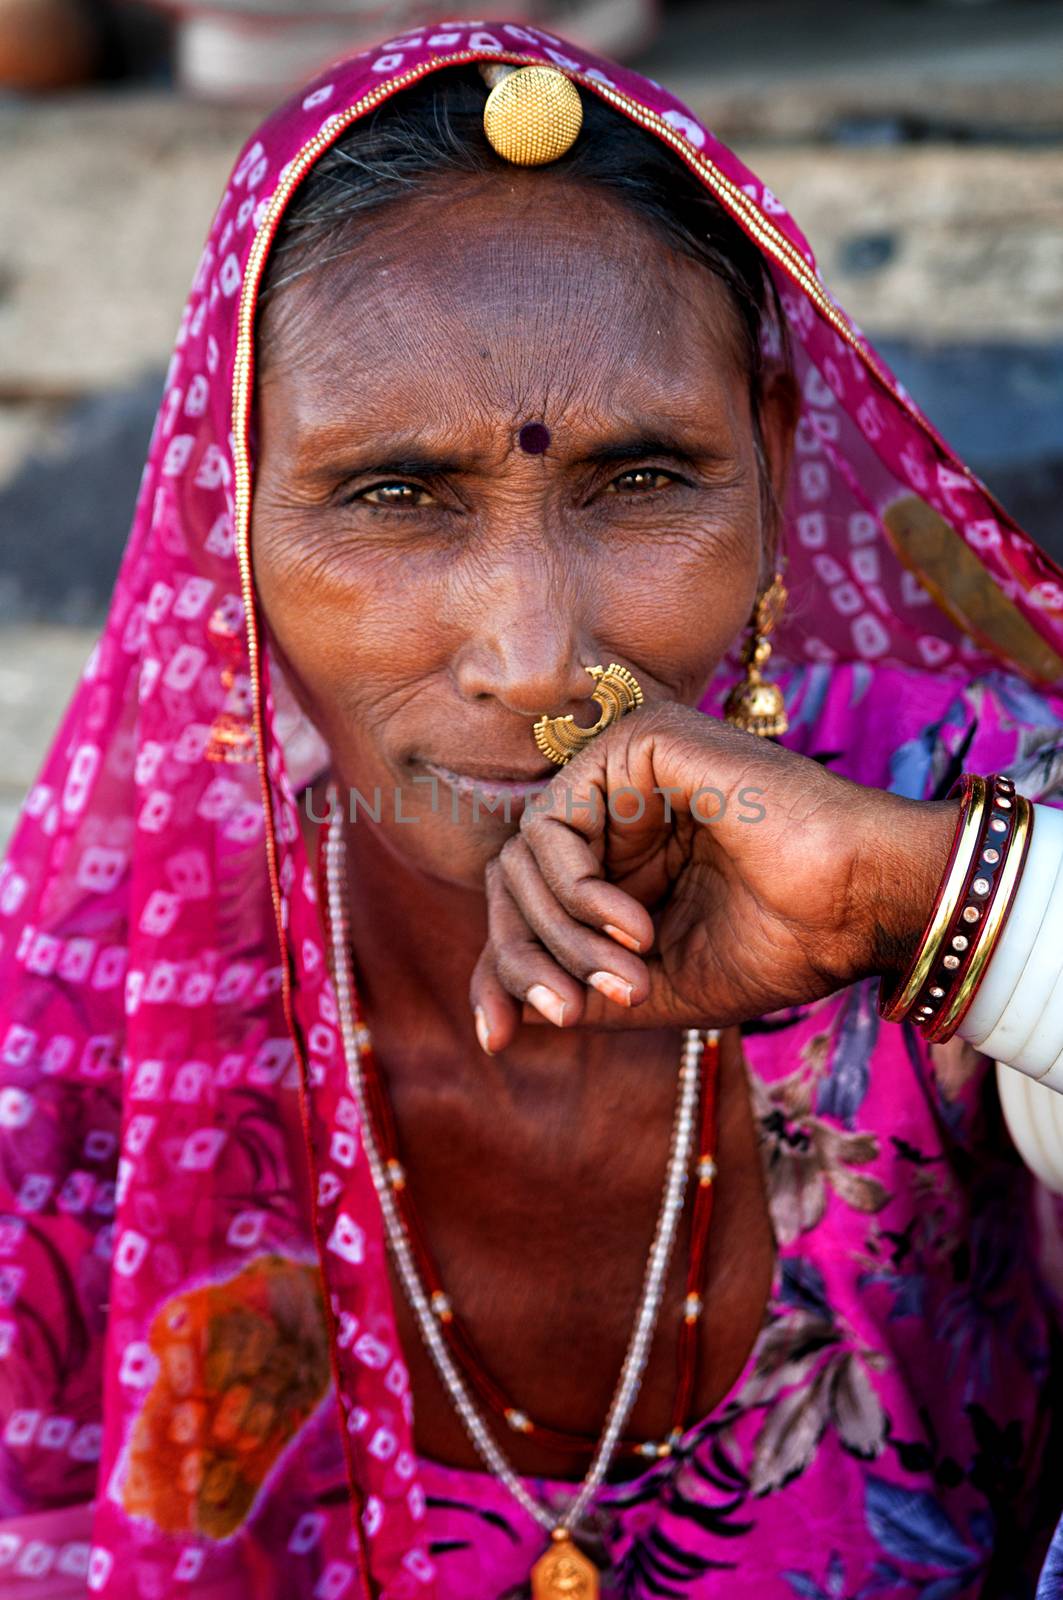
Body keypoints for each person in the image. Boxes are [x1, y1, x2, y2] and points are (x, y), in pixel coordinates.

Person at [2, 22, 1063, 1600]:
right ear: (227, 516)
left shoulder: (965, 813)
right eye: (394, 497)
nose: (534, 657)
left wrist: (934, 908)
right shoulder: (115, 998)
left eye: (641, 481)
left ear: (770, 462)